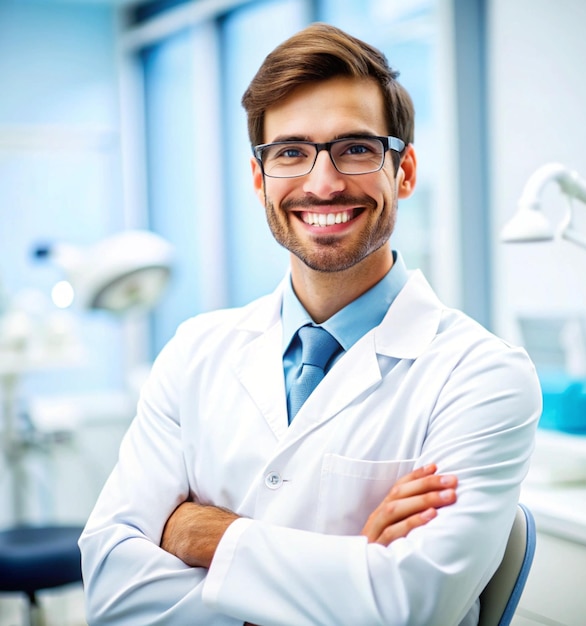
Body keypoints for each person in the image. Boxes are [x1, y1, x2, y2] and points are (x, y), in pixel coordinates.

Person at [79, 22, 541, 626]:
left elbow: (410, 608)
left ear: (402, 172)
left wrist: (205, 536)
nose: (323, 184)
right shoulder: (195, 350)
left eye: (355, 148)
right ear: (259, 179)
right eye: (291, 152)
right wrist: (351, 566)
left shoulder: (483, 376)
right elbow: (112, 595)